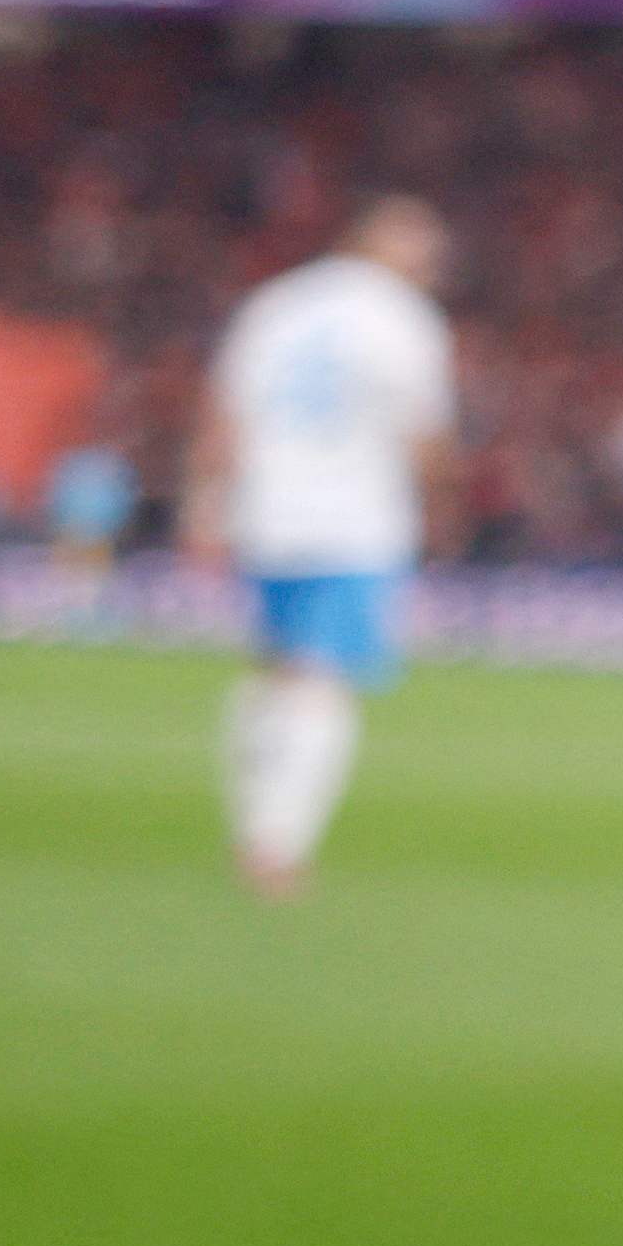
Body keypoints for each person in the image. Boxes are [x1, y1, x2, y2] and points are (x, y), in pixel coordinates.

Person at [186, 196, 459, 899]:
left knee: (275, 667)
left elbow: (224, 413)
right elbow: (426, 434)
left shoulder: (276, 304)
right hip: (354, 520)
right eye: (423, 252)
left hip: (266, 510)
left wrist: (206, 505)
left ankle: (254, 822)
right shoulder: (402, 319)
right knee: (323, 678)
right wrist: (443, 512)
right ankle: (276, 845)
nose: (430, 267)